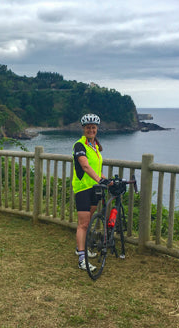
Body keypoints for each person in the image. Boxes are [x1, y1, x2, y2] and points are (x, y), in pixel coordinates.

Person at [72, 113, 109, 270]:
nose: (91, 130)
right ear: (84, 129)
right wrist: (100, 180)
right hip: (83, 189)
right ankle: (82, 260)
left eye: (93, 127)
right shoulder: (79, 145)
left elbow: (96, 169)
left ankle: (79, 248)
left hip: (94, 188)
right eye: (88, 127)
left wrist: (106, 180)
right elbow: (85, 166)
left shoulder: (95, 148)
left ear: (97, 129)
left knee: (87, 222)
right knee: (83, 224)